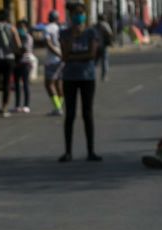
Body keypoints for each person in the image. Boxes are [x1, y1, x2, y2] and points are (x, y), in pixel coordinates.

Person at [58, 3, 103, 162]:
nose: (78, 17)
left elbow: (91, 54)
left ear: (85, 15)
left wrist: (73, 57)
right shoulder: (64, 33)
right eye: (75, 14)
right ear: (70, 16)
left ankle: (91, 151)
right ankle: (68, 151)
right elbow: (64, 55)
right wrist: (73, 38)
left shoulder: (92, 33)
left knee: (87, 114)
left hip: (87, 77)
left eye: (80, 14)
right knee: (69, 115)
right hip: (69, 78)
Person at [0, 12, 20, 117]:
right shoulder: (12, 28)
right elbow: (18, 44)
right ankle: (4, 108)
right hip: (9, 58)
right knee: (7, 84)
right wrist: (15, 52)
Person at [43, 10, 65, 116]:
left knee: (49, 84)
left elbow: (48, 43)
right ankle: (59, 105)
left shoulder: (48, 28)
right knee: (58, 83)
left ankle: (57, 107)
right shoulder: (60, 28)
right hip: (61, 59)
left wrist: (57, 53)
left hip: (52, 60)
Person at [13, 20, 36, 113]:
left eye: (23, 27)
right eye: (19, 27)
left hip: (25, 63)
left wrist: (17, 49)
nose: (21, 29)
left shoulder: (28, 37)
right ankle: (17, 105)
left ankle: (26, 105)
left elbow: (23, 49)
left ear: (26, 28)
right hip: (16, 63)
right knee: (16, 86)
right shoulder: (15, 37)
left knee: (25, 84)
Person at [96, 12, 114, 81]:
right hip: (103, 46)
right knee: (104, 61)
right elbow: (110, 34)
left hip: (97, 45)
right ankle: (104, 76)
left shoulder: (96, 25)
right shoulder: (106, 25)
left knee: (95, 61)